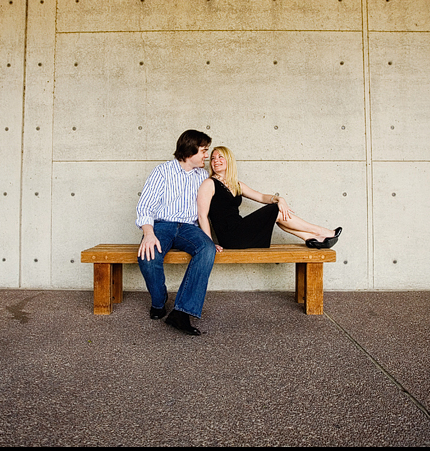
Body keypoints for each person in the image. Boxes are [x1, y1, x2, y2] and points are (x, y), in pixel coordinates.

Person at [136, 130, 217, 336]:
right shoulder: (162, 171)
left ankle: (181, 313)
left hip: (189, 228)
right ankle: (159, 300)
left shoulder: (203, 176)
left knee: (207, 249)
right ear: (190, 150)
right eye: (203, 151)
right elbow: (145, 207)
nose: (206, 155)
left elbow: (206, 210)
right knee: (148, 256)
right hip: (161, 226)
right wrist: (148, 233)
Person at [197, 146, 342, 251]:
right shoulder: (209, 183)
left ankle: (309, 238)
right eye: (213, 158)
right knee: (274, 211)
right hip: (230, 235)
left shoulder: (236, 184)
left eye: (220, 157)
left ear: (228, 160)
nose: (216, 160)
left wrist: (280, 199)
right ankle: (321, 232)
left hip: (239, 229)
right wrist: (209, 244)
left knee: (276, 214)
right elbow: (202, 216)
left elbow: (260, 196)